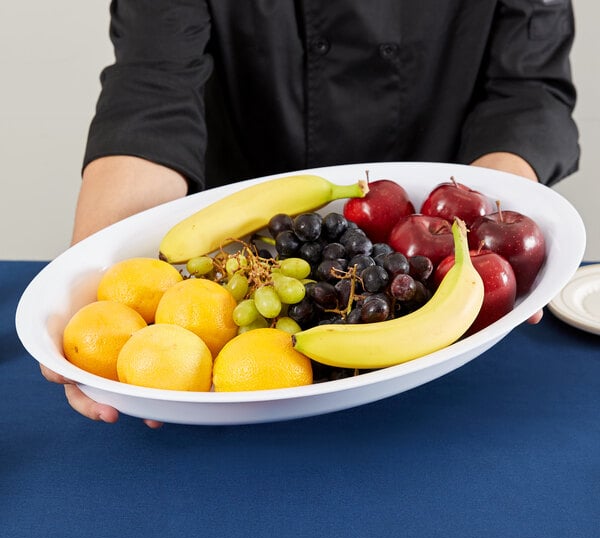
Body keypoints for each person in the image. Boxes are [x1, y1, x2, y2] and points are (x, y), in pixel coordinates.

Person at [41, 0, 579, 426]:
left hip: (426, 266)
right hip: (240, 281)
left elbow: (525, 88)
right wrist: (92, 281)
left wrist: (494, 236)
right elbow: (152, 86)